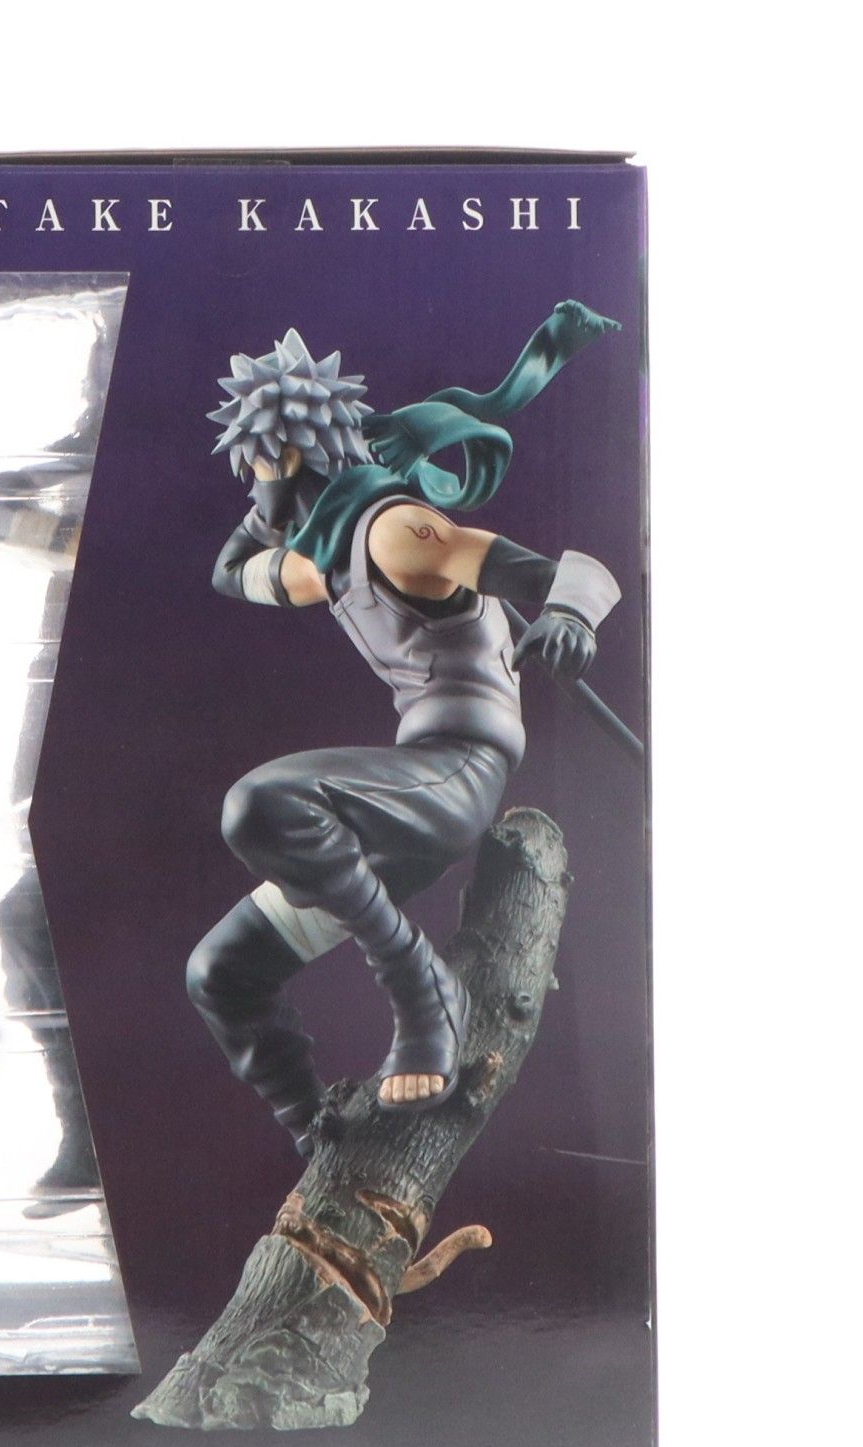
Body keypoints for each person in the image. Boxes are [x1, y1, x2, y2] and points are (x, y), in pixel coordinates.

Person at [187, 304, 622, 1154]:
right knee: (222, 972)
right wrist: (282, 483)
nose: (252, 486)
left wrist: (570, 617)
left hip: (458, 773)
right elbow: (229, 572)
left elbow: (575, 572)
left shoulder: (396, 534)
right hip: (385, 827)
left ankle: (423, 991)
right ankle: (320, 1136)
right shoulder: (321, 562)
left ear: (283, 457)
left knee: (260, 804)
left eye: (257, 465)